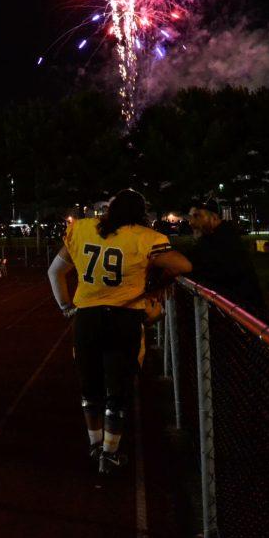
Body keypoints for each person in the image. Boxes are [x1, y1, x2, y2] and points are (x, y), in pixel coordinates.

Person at [47, 189, 192, 475]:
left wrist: (66, 306)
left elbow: (55, 272)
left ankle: (94, 444)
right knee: (118, 390)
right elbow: (182, 265)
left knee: (90, 387)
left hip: (87, 318)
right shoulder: (145, 238)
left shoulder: (83, 229)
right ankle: (109, 454)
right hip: (124, 318)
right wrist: (153, 285)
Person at [185, 199, 265, 312]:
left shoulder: (224, 240)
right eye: (191, 217)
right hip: (230, 307)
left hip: (241, 309)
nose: (191, 222)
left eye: (197, 216)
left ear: (214, 217)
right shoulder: (211, 238)